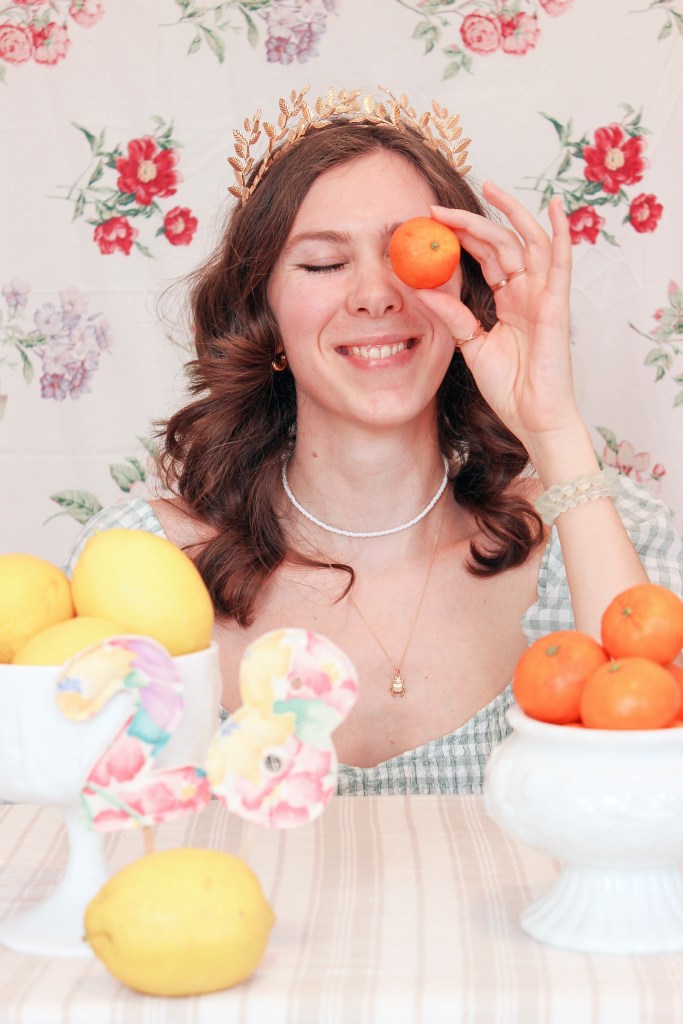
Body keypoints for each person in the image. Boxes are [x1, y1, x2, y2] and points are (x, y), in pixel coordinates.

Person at [65, 87, 683, 795]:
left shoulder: (601, 534)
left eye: (408, 254)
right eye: (323, 264)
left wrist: (552, 428)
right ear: (262, 312)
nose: (376, 296)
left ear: (465, 283)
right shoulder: (136, 569)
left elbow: (650, 799)